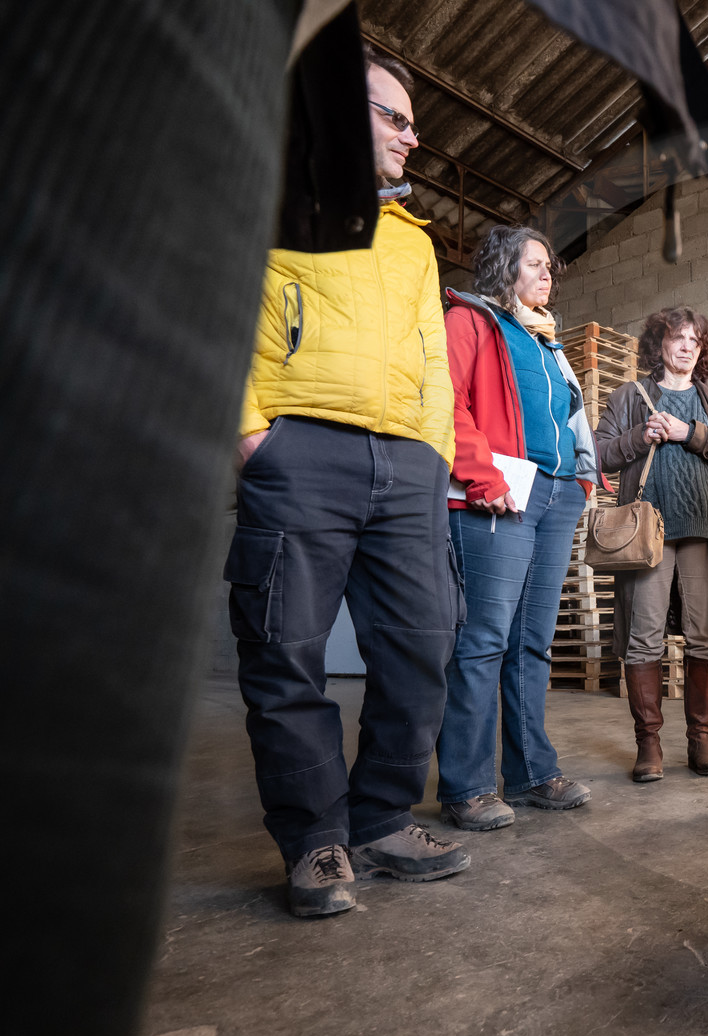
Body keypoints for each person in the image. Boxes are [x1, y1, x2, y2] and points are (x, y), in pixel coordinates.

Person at [228, 48, 468, 918]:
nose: (413, 136)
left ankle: (381, 818)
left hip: (407, 463)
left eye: (413, 122)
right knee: (285, 649)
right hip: (301, 451)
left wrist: (436, 455)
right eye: (395, 117)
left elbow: (433, 357)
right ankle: (316, 839)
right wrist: (253, 434)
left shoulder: (413, 241)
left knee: (424, 644)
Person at [434, 225, 599, 831]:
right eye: (535, 263)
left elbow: (572, 420)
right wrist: (482, 476)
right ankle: (468, 786)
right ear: (504, 268)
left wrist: (582, 482)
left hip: (555, 494)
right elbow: (445, 399)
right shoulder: (472, 321)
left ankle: (530, 773)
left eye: (550, 265)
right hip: (498, 493)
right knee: (482, 641)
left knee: (532, 642)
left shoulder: (547, 342)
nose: (548, 273)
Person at [594, 307, 708, 782]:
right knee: (644, 637)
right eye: (678, 337)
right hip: (647, 538)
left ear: (703, 350)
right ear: (658, 344)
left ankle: (701, 740)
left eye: (695, 340)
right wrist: (639, 436)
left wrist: (691, 433)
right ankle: (649, 744)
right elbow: (599, 453)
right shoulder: (629, 396)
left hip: (703, 532)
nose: (686, 346)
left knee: (704, 637)